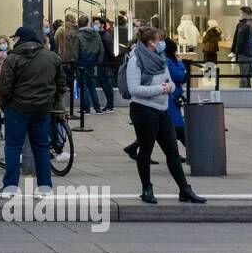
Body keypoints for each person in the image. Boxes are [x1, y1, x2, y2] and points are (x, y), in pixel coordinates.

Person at [124, 26, 205, 204]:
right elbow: (134, 89)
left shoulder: (161, 58)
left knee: (172, 152)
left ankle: (184, 189)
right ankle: (147, 188)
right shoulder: (136, 59)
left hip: (162, 109)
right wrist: (160, 89)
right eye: (159, 39)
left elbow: (172, 83)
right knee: (146, 150)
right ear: (151, 42)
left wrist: (170, 88)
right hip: (143, 109)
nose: (162, 43)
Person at [0, 26, 65, 196]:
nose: (13, 41)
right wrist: (51, 102)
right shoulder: (51, 57)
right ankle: (45, 187)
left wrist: (5, 105)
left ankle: (11, 186)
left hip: (17, 108)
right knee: (41, 147)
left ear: (20, 38)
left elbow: (5, 87)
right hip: (42, 109)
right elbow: (61, 85)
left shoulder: (13, 58)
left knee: (12, 147)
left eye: (15, 38)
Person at [75, 14, 105, 117]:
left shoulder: (78, 35)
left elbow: (75, 51)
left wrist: (75, 63)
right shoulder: (96, 34)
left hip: (82, 63)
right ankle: (97, 108)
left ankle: (86, 109)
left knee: (84, 86)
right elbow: (101, 49)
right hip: (93, 63)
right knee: (92, 86)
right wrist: (98, 62)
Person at [96, 16, 118, 112]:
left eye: (96, 24)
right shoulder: (100, 35)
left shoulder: (105, 36)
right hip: (101, 62)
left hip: (105, 62)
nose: (94, 26)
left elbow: (109, 51)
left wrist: (112, 63)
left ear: (102, 25)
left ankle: (110, 104)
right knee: (104, 83)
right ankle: (109, 104)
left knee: (106, 84)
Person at [232, 6, 252, 88]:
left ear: (245, 14)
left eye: (241, 13)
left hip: (244, 53)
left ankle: (244, 92)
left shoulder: (242, 25)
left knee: (244, 75)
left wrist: (235, 52)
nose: (240, 15)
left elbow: (239, 40)